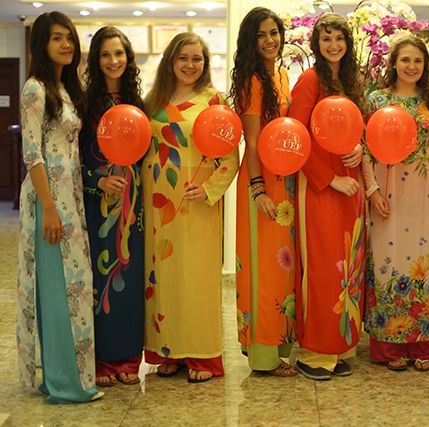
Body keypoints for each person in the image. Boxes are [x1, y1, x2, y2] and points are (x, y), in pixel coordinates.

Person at [142, 32, 239, 383]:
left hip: (197, 202)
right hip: (157, 201)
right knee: (162, 277)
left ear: (205, 63)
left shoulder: (215, 101)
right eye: (183, 58)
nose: (189, 65)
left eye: (197, 58)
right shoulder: (153, 100)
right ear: (171, 61)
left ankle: (201, 355)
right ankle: (168, 351)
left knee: (196, 279)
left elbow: (230, 157)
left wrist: (210, 189)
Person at [16, 11, 103, 403]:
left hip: (71, 200)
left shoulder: (64, 89)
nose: (66, 44)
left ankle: (72, 378)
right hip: (49, 202)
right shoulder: (35, 89)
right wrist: (49, 209)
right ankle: (64, 383)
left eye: (69, 37)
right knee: (57, 290)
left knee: (75, 287)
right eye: (56, 37)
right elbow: (32, 154)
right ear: (41, 43)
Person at [288, 13, 365, 381]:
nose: (334, 45)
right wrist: (330, 179)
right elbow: (296, 138)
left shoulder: (350, 81)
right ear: (317, 45)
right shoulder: (309, 80)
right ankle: (315, 352)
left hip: (351, 182)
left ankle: (337, 348)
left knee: (346, 265)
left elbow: (356, 127)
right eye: (326, 39)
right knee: (321, 267)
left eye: (339, 38)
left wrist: (360, 149)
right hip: (320, 185)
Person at [362, 35, 429, 372]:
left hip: (425, 194)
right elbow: (364, 149)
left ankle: (424, 343)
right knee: (388, 259)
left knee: (425, 260)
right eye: (405, 60)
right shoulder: (376, 100)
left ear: (425, 66)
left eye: (418, 61)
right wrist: (372, 190)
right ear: (394, 63)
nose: (411, 66)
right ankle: (390, 345)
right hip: (388, 189)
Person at [230, 7, 297, 377]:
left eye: (274, 33)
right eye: (261, 35)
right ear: (250, 42)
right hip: (262, 182)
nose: (270, 40)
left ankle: (280, 346)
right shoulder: (252, 82)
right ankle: (264, 356)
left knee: (281, 268)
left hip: (284, 179)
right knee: (263, 269)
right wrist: (259, 191)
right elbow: (252, 142)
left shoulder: (282, 75)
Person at [79, 26, 145, 387]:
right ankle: (103, 358)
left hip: (132, 208)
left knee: (130, 278)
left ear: (128, 58)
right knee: (100, 276)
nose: (113, 60)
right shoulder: (84, 105)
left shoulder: (139, 103)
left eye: (118, 53)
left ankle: (130, 358)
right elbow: (75, 159)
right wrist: (98, 181)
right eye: (105, 54)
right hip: (98, 204)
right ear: (96, 60)